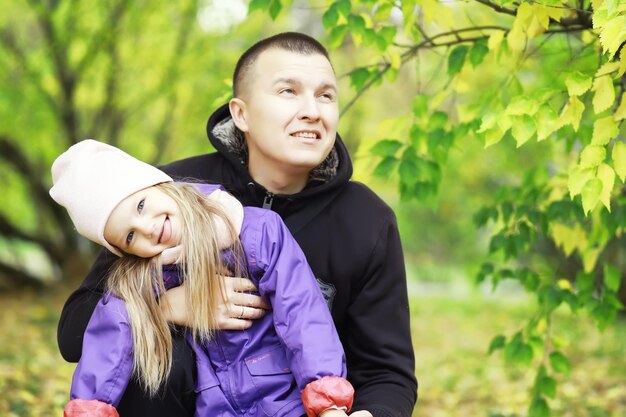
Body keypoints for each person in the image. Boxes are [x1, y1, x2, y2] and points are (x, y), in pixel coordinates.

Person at [56, 32, 417, 417]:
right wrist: (165, 307)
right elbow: (76, 331)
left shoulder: (367, 219)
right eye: (288, 91)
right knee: (154, 358)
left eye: (326, 95)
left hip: (302, 407)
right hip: (193, 403)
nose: (313, 110)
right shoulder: (165, 196)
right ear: (240, 113)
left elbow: (387, 372)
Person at [51, 139, 355, 417]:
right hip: (213, 407)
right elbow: (106, 346)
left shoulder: (255, 233)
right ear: (124, 251)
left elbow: (301, 312)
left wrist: (326, 395)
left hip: (280, 398)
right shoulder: (140, 279)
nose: (147, 228)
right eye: (130, 235)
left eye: (141, 206)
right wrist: (92, 407)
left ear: (160, 184)